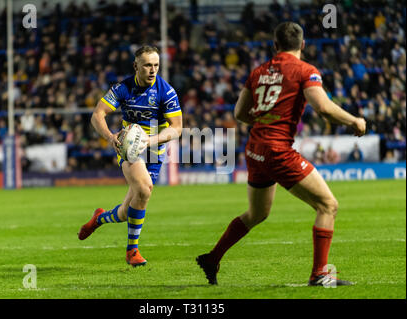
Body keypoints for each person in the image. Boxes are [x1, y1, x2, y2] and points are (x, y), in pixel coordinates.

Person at [196, 22, 366, 287]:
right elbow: (322, 107)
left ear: (274, 46)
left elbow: (240, 113)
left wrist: (265, 118)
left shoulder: (258, 72)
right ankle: (320, 274)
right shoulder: (305, 70)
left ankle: (212, 258)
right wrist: (354, 121)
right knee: (328, 205)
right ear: (303, 45)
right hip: (277, 149)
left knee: (257, 214)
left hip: (255, 149)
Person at [78, 45, 183, 267]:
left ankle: (99, 218)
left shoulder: (166, 91)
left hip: (154, 149)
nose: (152, 69)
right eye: (147, 65)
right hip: (129, 148)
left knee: (127, 211)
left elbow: (177, 128)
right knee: (144, 189)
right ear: (136, 66)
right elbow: (98, 115)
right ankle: (132, 251)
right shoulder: (123, 88)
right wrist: (110, 137)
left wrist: (150, 140)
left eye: (156, 65)